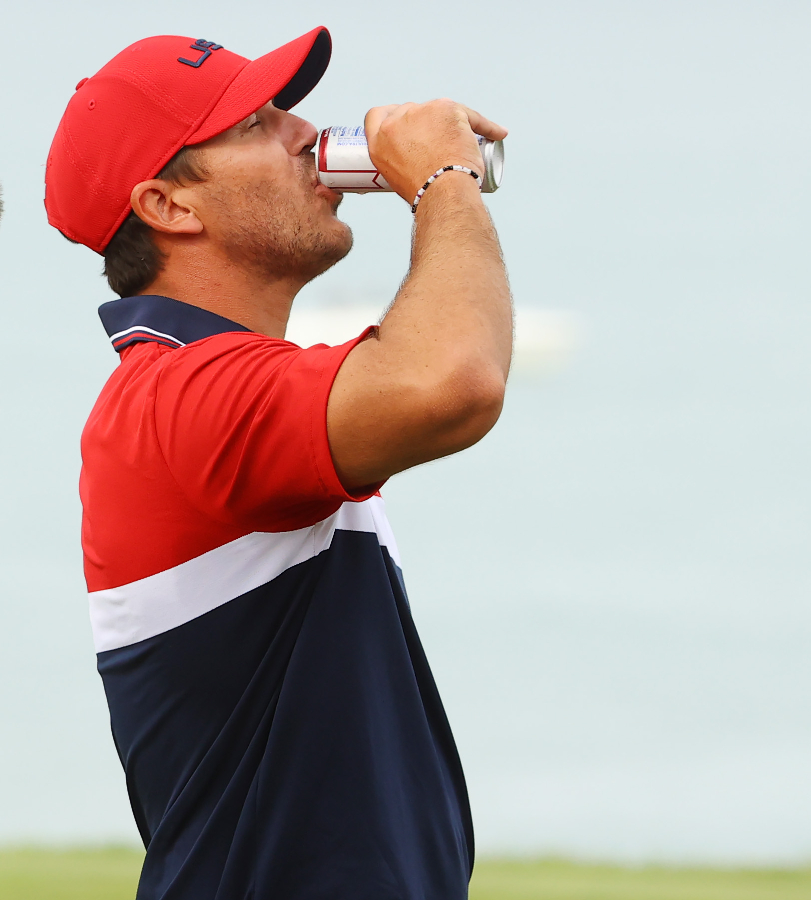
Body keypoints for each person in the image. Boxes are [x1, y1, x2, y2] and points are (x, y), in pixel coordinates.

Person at [46, 28, 509, 899]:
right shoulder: (182, 399)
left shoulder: (211, 386)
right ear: (170, 206)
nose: (304, 133)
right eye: (257, 121)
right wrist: (445, 184)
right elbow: (455, 380)